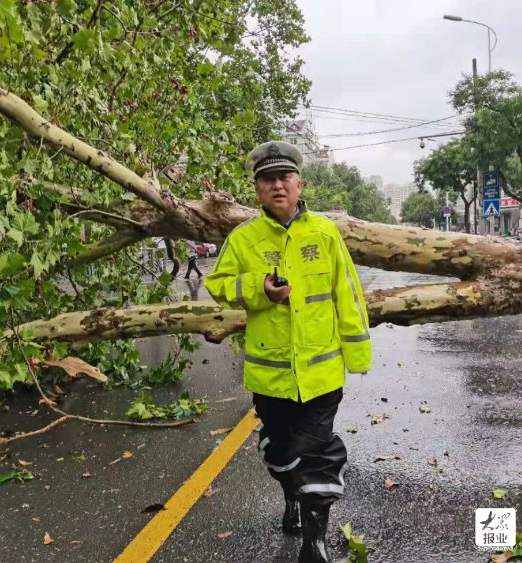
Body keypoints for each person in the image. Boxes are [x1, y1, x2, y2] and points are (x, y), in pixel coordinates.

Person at [204, 141, 371, 563]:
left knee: (316, 452)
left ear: (299, 183)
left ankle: (315, 542)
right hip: (271, 376)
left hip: (321, 374)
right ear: (257, 189)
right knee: (280, 451)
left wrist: (358, 355)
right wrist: (258, 288)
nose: (277, 185)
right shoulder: (244, 239)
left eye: (284, 178)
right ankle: (292, 499)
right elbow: (218, 285)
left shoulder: (324, 232)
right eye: (267, 179)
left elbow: (347, 294)